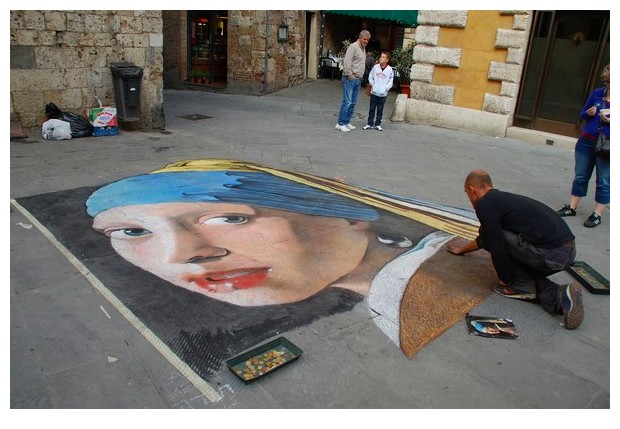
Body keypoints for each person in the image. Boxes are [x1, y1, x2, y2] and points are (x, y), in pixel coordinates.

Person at [86, 158, 496, 354]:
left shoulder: (421, 286)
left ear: (350, 216)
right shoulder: (401, 291)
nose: (183, 256)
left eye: (229, 218)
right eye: (132, 231)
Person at [447, 170, 584, 330]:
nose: (469, 199)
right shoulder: (501, 200)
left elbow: (495, 242)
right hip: (566, 251)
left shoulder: (485, 204)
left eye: (467, 194)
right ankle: (562, 297)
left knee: (498, 236)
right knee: (503, 243)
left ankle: (519, 285)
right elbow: (484, 238)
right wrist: (462, 250)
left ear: (472, 189)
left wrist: (505, 278)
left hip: (551, 253)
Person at [556, 64, 610, 228]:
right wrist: (589, 113)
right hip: (587, 141)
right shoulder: (597, 94)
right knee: (580, 175)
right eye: (608, 82)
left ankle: (597, 214)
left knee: (604, 181)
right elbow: (582, 113)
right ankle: (572, 207)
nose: (609, 86)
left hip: (609, 144)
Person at [335, 30, 370, 133]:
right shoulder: (353, 47)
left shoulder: (363, 48)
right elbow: (347, 62)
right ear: (360, 38)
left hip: (357, 79)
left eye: (368, 40)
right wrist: (350, 75)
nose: (366, 41)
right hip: (350, 78)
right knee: (347, 101)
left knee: (353, 102)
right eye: (364, 39)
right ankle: (340, 123)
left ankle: (346, 121)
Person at [363, 51, 393, 131]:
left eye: (383, 57)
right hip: (374, 92)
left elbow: (390, 81)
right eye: (381, 56)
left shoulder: (389, 69)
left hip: (383, 93)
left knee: (380, 109)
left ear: (387, 60)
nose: (381, 58)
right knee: (372, 108)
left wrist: (386, 88)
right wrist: (373, 84)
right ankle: (370, 123)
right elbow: (371, 76)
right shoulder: (376, 67)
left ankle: (378, 124)